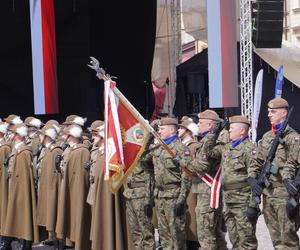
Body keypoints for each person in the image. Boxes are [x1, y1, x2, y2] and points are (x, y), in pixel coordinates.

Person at [198, 115, 258, 249]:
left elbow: (255, 179)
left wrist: (253, 205)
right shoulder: (226, 148)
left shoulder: (249, 149)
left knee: (247, 241)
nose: (229, 131)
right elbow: (207, 151)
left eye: (231, 128)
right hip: (228, 200)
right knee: (235, 240)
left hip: (242, 201)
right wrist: (214, 133)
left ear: (242, 131)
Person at [248, 98, 300, 249]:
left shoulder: (293, 138)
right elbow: (257, 161)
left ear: (284, 113)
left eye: (273, 111)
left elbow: (295, 164)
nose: (269, 114)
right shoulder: (267, 137)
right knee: (276, 240)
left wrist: (291, 183)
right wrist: (252, 177)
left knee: (288, 240)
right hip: (268, 194)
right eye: (268, 111)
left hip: (284, 194)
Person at [141, 117, 191, 250]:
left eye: (162, 129)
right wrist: (149, 138)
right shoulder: (158, 147)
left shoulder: (180, 148)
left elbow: (186, 176)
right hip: (160, 196)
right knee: (164, 236)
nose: (159, 131)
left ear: (172, 130)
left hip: (174, 196)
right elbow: (143, 159)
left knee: (177, 236)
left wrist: (181, 199)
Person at [187, 110, 227, 250]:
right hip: (203, 190)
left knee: (205, 234)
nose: (198, 124)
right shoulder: (205, 139)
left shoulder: (216, 140)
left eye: (201, 122)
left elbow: (203, 164)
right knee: (214, 231)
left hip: (209, 191)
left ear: (210, 125)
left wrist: (184, 163)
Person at [2, 123, 39, 249]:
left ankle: (26, 244)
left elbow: (24, 177)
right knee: (19, 216)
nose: (10, 135)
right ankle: (22, 242)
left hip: (20, 190)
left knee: (24, 215)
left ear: (18, 135)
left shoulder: (24, 152)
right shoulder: (17, 149)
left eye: (12, 133)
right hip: (15, 187)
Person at [55, 124, 91, 250]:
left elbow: (82, 176)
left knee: (78, 216)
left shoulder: (82, 151)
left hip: (77, 190)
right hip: (68, 187)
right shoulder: (70, 150)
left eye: (69, 136)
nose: (67, 138)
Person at [36, 124, 63, 248]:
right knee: (49, 215)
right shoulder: (46, 149)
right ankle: (53, 239)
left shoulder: (55, 150)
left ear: (47, 136)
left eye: (41, 134)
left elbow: (56, 173)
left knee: (55, 214)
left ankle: (59, 242)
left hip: (53, 188)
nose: (39, 136)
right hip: (46, 186)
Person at [178, 118, 200, 250]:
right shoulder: (183, 145)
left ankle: (193, 242)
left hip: (191, 185)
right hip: (183, 185)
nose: (178, 130)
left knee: (191, 216)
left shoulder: (193, 146)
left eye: (181, 128)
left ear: (188, 131)